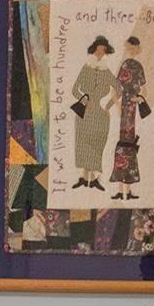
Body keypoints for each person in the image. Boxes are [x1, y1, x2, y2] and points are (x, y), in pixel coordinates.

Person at [66, 37, 115, 191]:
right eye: (98, 49)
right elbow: (74, 90)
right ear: (94, 50)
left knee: (96, 143)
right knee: (83, 143)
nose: (100, 53)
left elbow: (119, 89)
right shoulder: (86, 68)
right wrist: (86, 102)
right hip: (84, 113)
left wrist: (108, 106)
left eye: (103, 50)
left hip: (100, 115)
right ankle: (84, 177)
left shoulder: (106, 71)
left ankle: (93, 179)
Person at [109, 34, 154, 196]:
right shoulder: (126, 65)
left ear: (136, 49)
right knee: (125, 142)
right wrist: (118, 105)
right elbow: (114, 89)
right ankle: (122, 189)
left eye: (131, 48)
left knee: (130, 143)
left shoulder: (137, 66)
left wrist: (138, 98)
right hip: (126, 108)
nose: (129, 51)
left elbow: (145, 91)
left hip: (133, 108)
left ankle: (126, 189)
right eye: (128, 48)